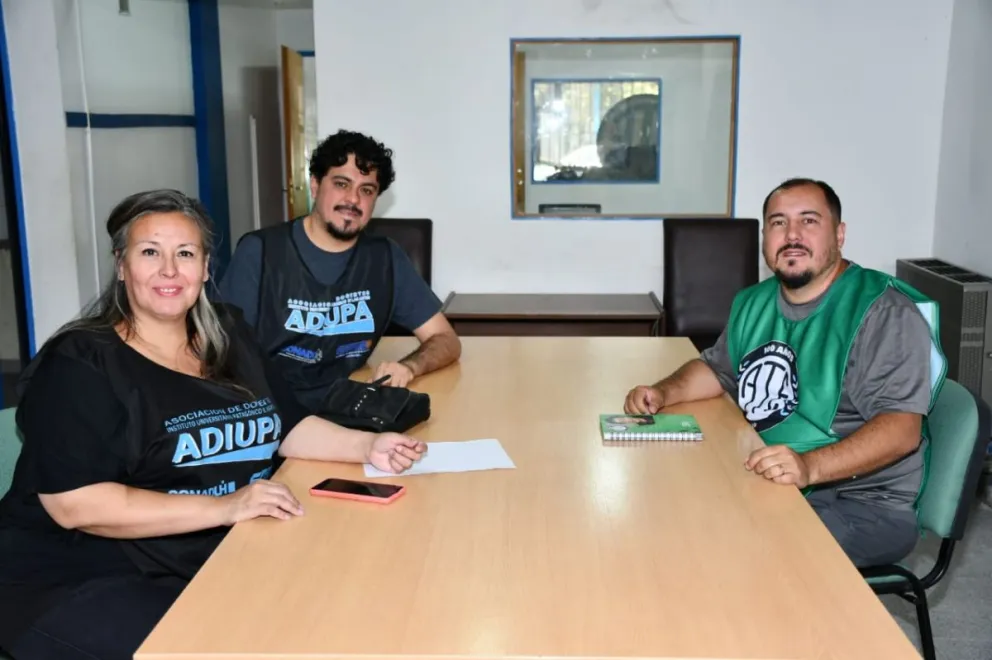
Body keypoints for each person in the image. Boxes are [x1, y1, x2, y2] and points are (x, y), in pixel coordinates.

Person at [0, 190, 428, 660]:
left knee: (344, 608)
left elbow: (285, 424)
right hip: (78, 572)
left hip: (199, 554)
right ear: (122, 266)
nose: (169, 270)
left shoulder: (228, 333)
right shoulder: (81, 363)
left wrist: (368, 446)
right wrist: (225, 506)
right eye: (149, 252)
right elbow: (75, 505)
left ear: (205, 268)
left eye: (185, 253)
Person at [623, 178, 947, 568]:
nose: (792, 235)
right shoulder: (754, 301)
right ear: (765, 238)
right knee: (667, 510)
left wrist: (810, 467)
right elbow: (716, 369)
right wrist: (662, 393)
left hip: (862, 501)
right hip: (770, 473)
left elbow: (901, 430)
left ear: (839, 234)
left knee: (733, 555)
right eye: (778, 223)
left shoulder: (883, 313)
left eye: (809, 221)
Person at [218, 129, 461, 413]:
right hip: (272, 408)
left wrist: (409, 366)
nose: (353, 199)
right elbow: (224, 354)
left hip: (346, 402)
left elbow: (446, 340)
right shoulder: (260, 252)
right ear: (315, 186)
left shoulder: (385, 259)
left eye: (366, 190)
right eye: (342, 184)